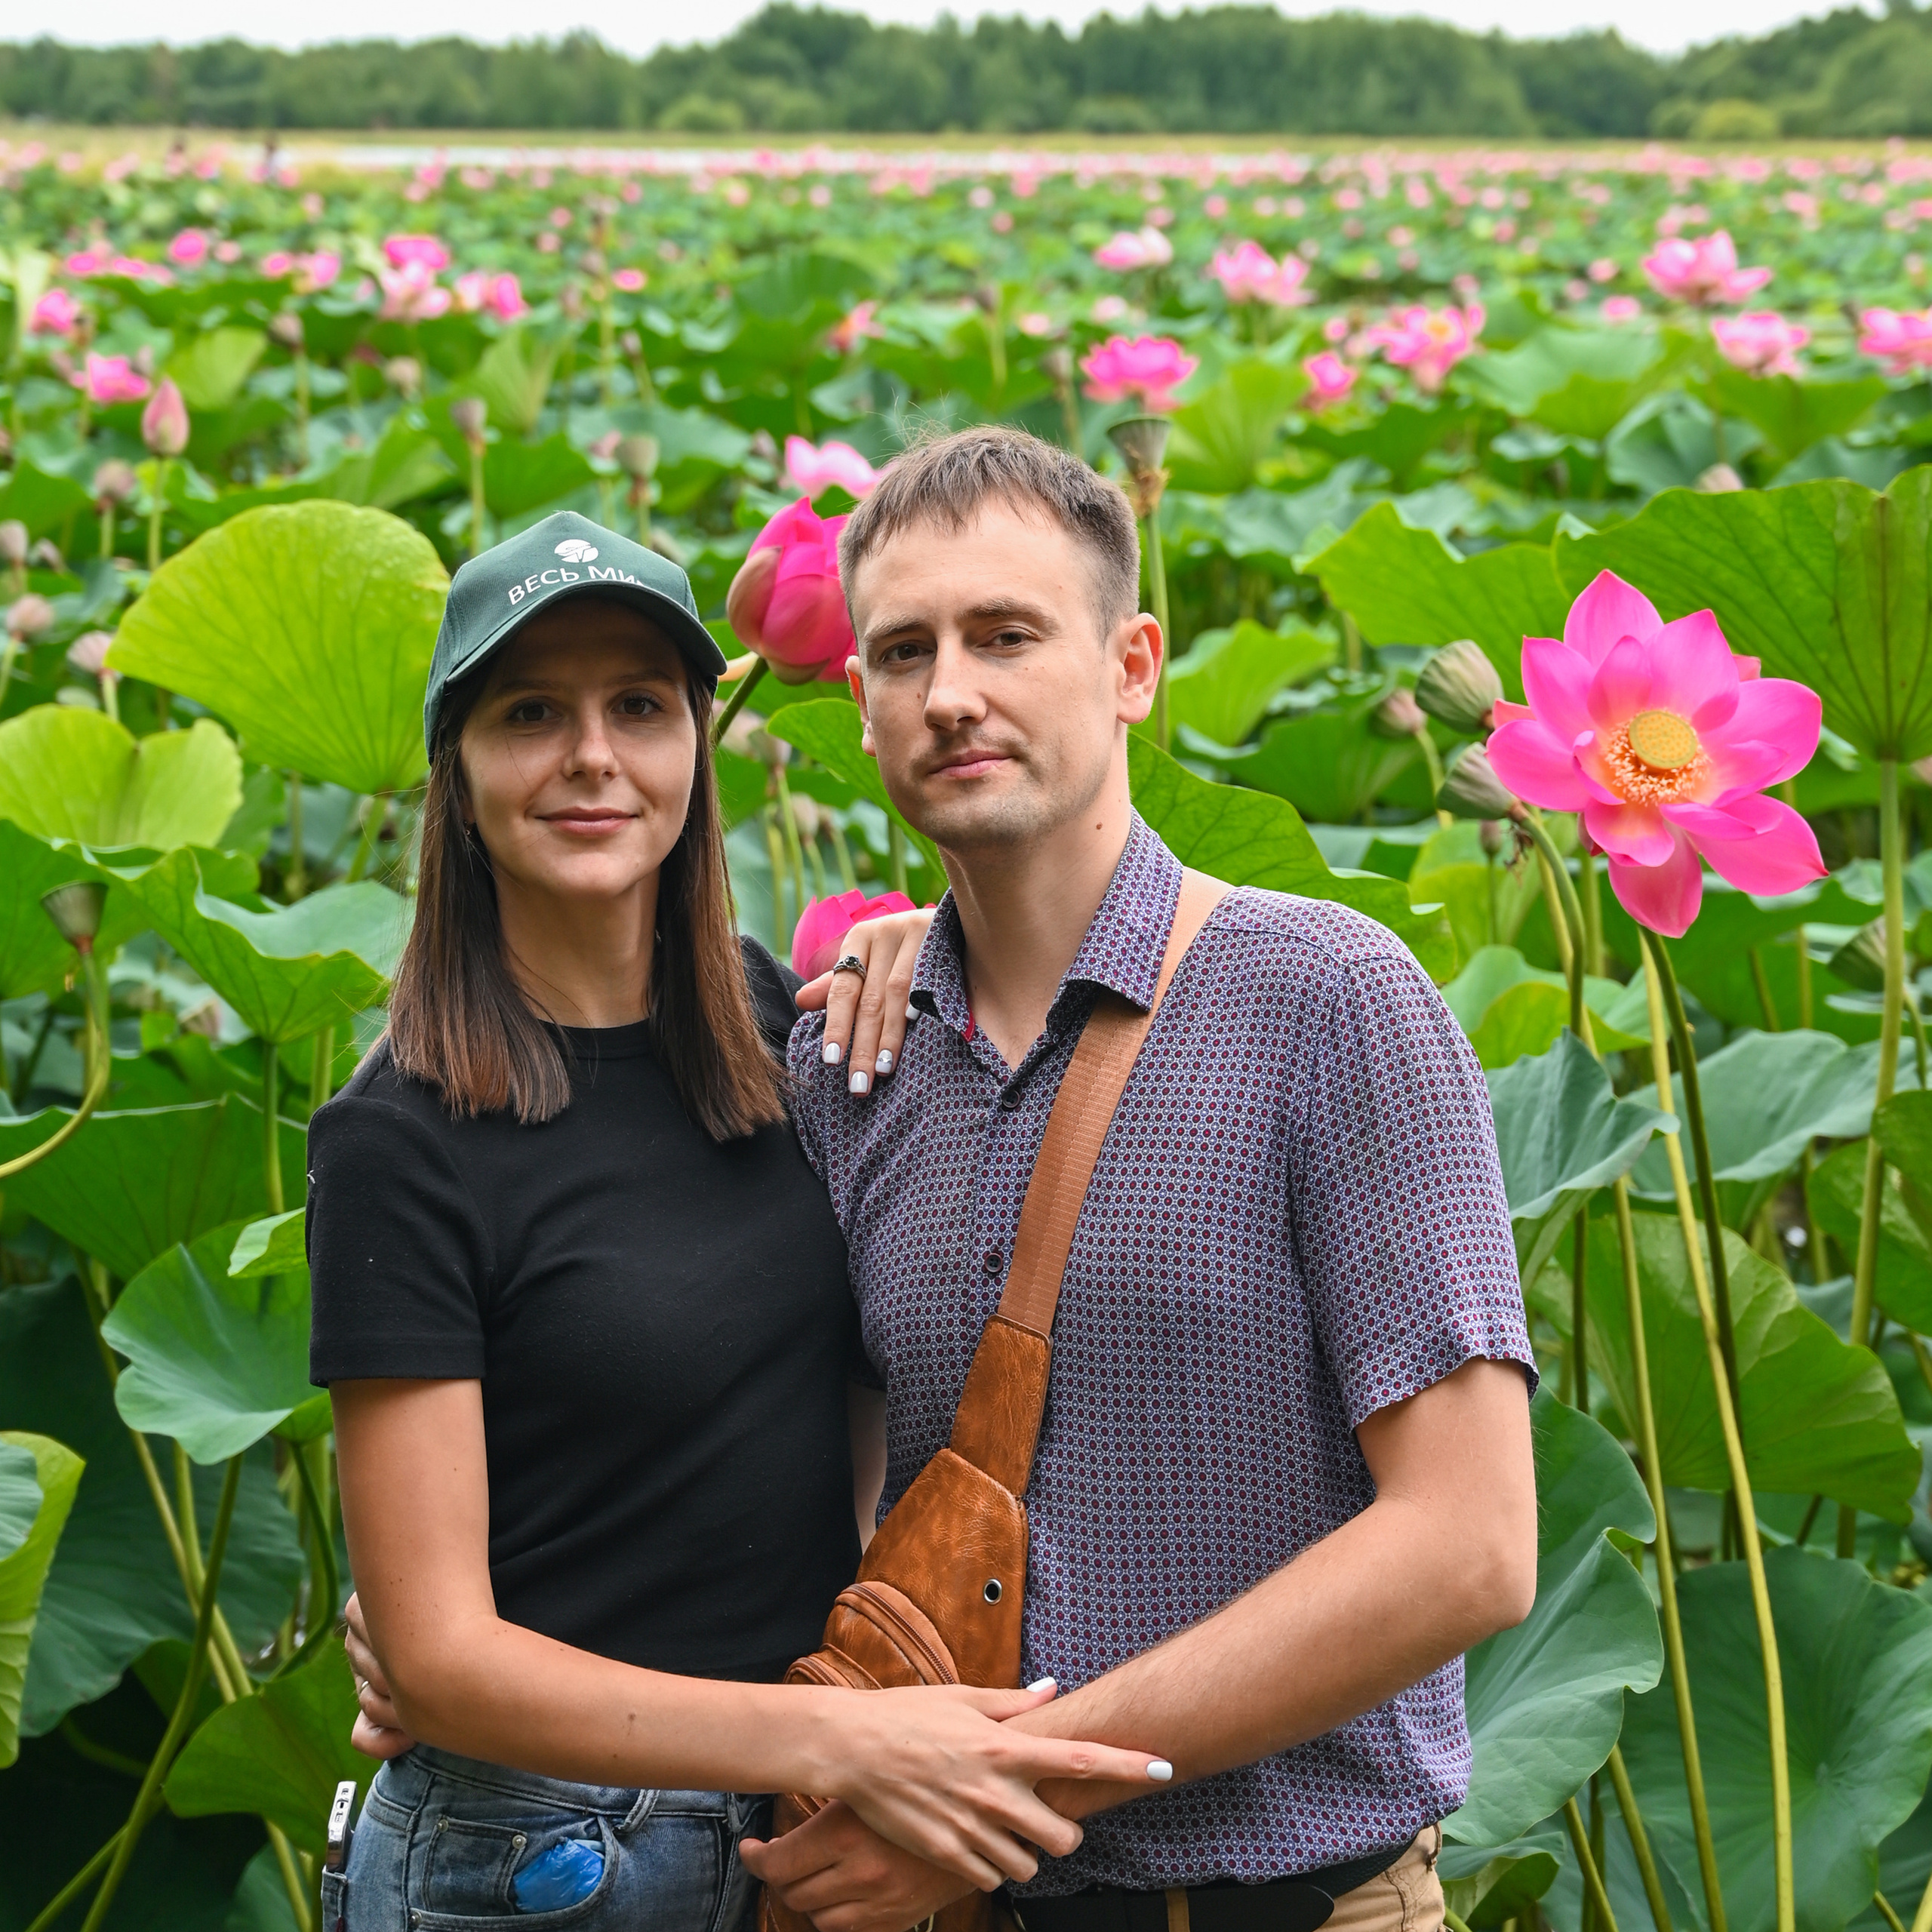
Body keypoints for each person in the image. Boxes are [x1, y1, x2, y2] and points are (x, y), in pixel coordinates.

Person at [307, 510, 1168, 1932]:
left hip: (803, 1845)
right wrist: (847, 1743)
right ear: (457, 779)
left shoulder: (785, 1033)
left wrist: (918, 933)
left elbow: (1073, 904)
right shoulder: (399, 1137)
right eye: (532, 714)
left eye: (639, 708)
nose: (592, 756)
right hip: (537, 1859)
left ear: (698, 751)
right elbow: (440, 1657)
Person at [734, 429, 1540, 1932]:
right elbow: (809, 1497)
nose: (950, 689)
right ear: (858, 708)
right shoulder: (846, 1062)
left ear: (1132, 665)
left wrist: (1003, 1790)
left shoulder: (1330, 998)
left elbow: (1468, 1544)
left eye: (1004, 634)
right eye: (904, 650)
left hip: (1294, 1898)